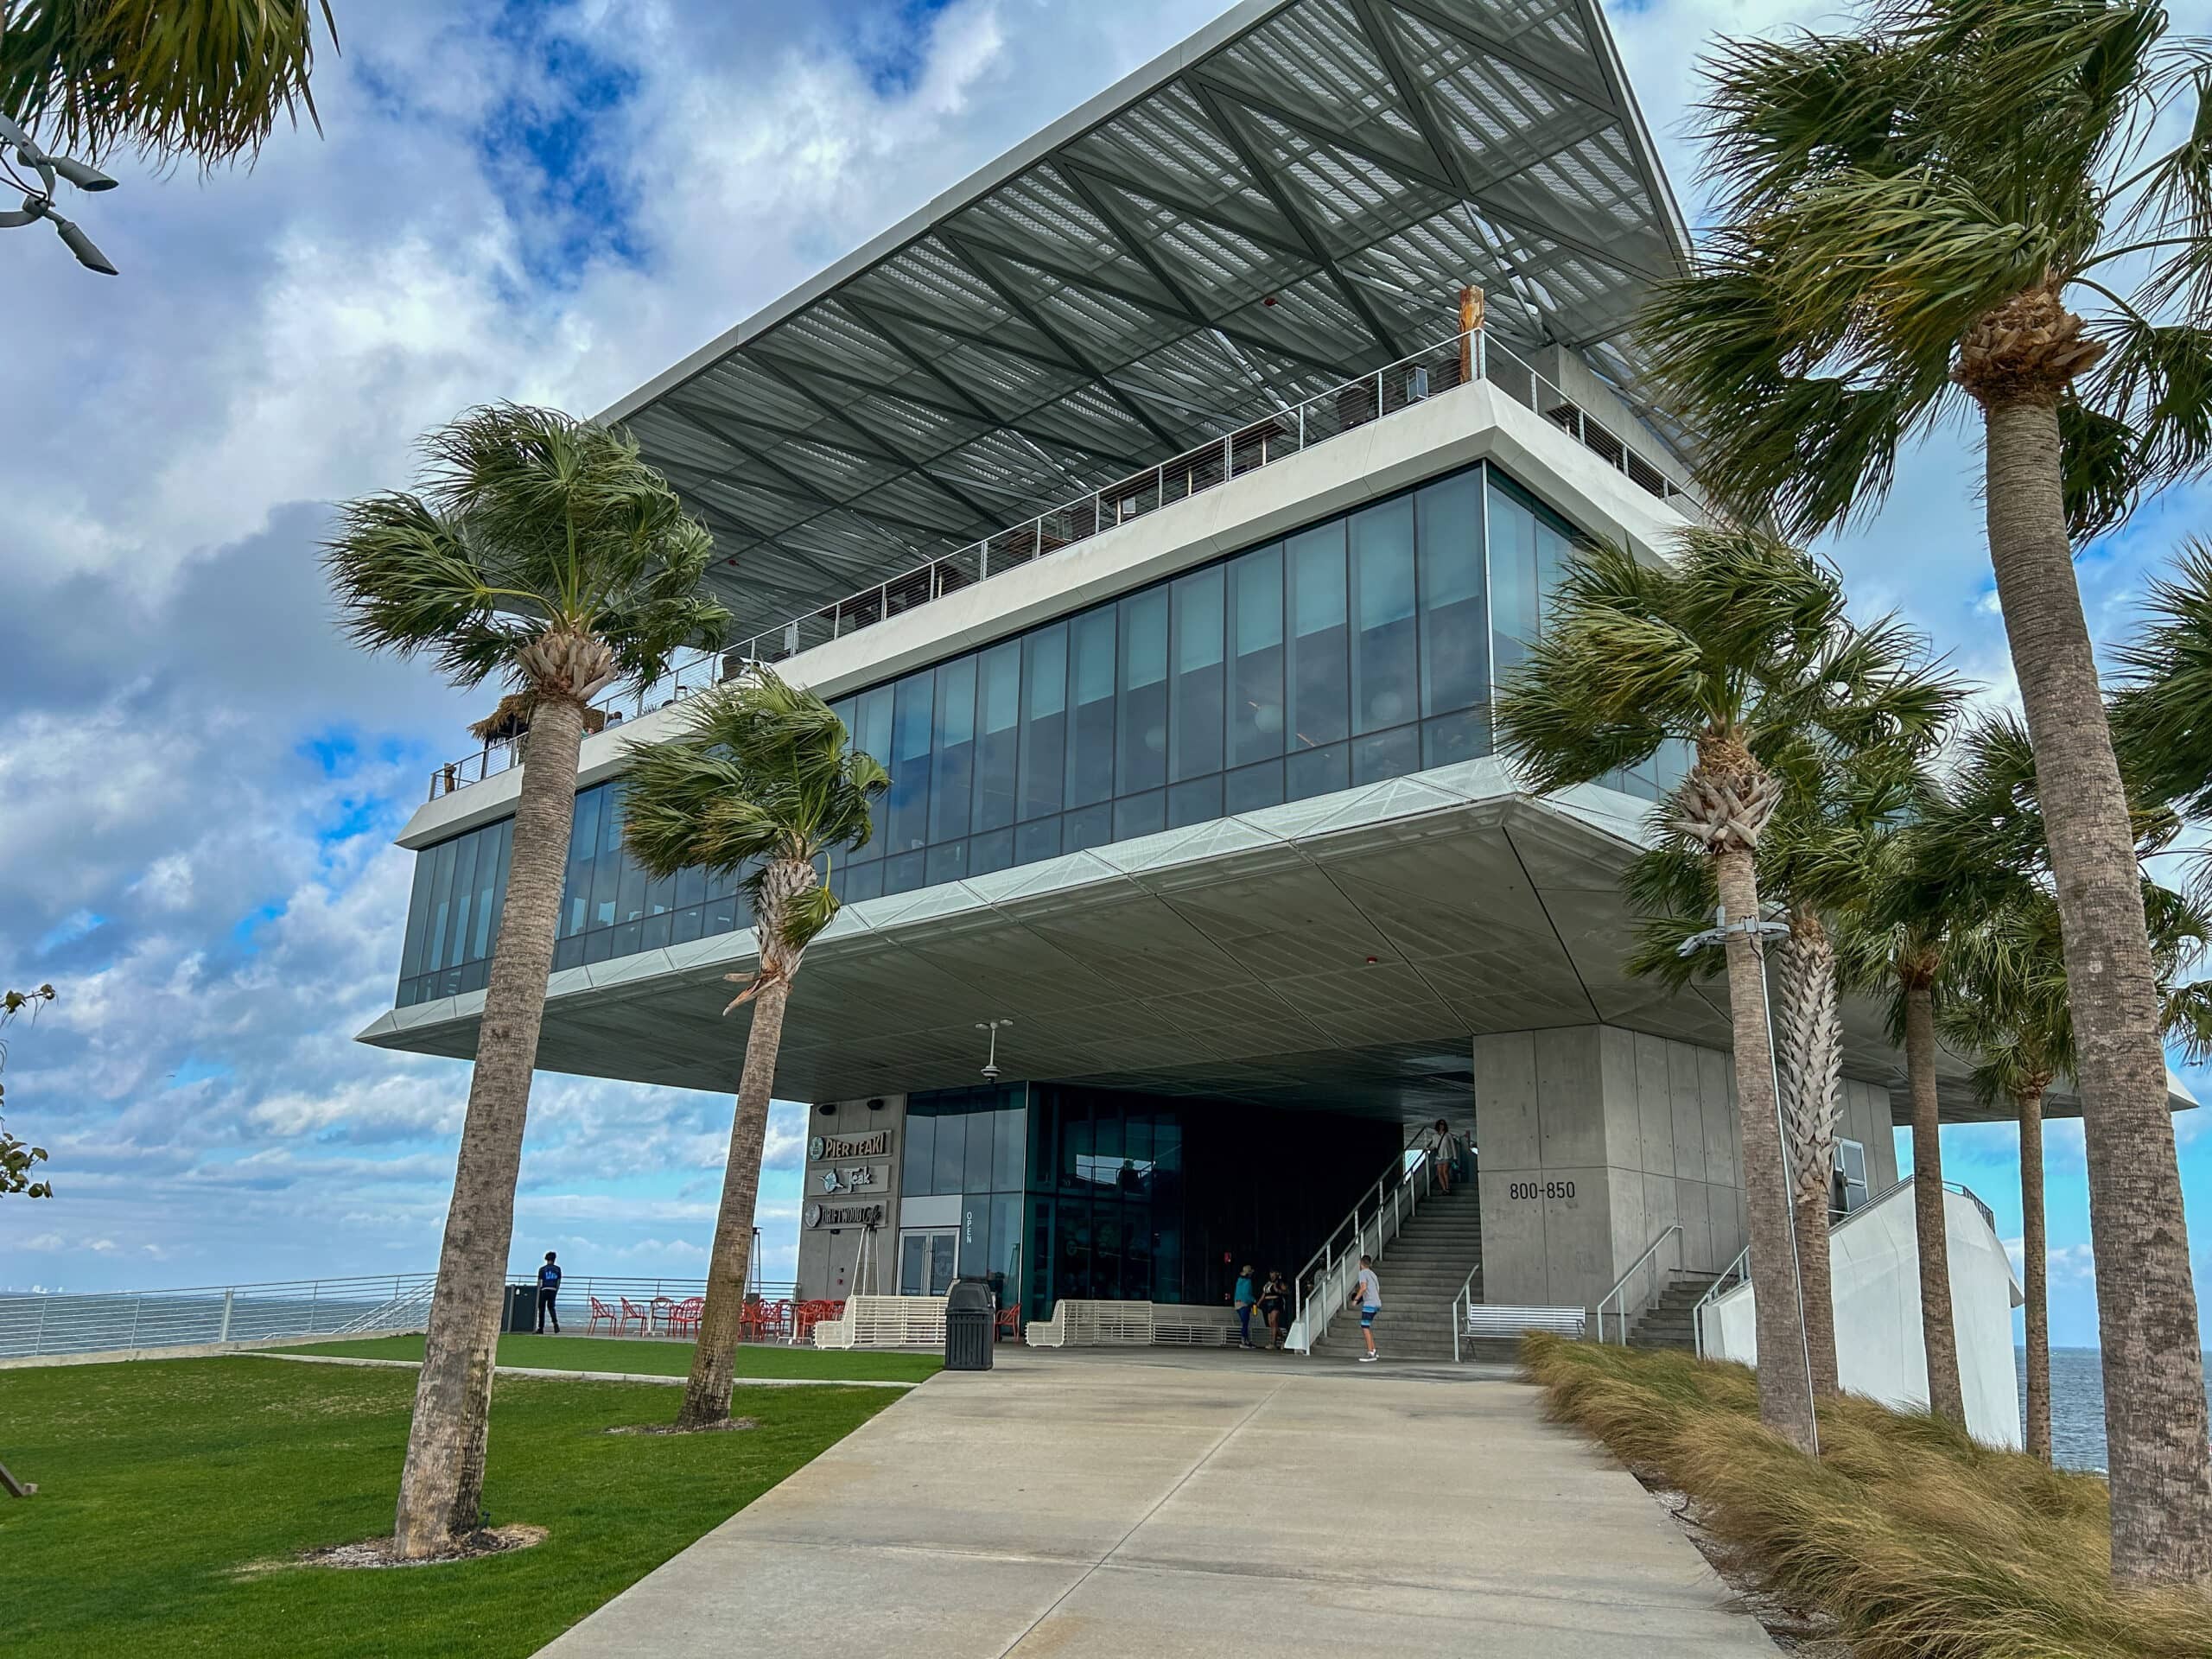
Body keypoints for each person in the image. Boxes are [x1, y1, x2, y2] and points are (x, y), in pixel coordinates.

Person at [1348, 1254, 1381, 1362]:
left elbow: (1363, 1287)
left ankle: (1370, 1352)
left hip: (1370, 1304)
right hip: (1377, 1303)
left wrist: (1356, 1299)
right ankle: (1374, 1350)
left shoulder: (1362, 1273)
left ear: (1361, 1264)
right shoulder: (1373, 1274)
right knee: (1367, 1326)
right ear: (1370, 1264)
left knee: (1364, 1326)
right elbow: (1375, 1289)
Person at [1258, 1268, 1290, 1351]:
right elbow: (1264, 1294)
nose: (1271, 1275)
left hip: (1276, 1302)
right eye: (1270, 1273)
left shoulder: (1280, 1282)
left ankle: (1273, 1342)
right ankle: (1284, 1338)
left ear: (1277, 1273)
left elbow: (1286, 1291)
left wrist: (1278, 1290)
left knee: (1274, 1321)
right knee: (1271, 1324)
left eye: (1273, 1273)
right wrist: (1258, 1303)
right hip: (1268, 1303)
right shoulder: (1268, 1283)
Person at [536, 1251, 563, 1334]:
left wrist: (538, 1292)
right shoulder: (558, 1269)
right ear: (554, 1259)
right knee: (551, 1308)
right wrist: (556, 1291)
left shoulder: (542, 1269)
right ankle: (555, 1323)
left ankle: (541, 1328)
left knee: (542, 1309)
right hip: (553, 1290)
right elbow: (558, 1282)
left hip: (544, 1290)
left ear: (546, 1259)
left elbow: (539, 1282)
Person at [1233, 1263, 1257, 1349]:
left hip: (1237, 1304)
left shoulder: (1239, 1280)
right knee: (1245, 1323)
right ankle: (1244, 1341)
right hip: (1244, 1304)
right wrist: (1254, 1300)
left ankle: (1246, 1340)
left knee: (1245, 1323)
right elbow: (1246, 1294)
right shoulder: (1248, 1281)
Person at [1431, 1118, 1455, 1193]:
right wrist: (1428, 1148)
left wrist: (1455, 1157)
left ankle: (1447, 1188)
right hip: (1439, 1156)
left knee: (1445, 1171)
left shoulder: (1448, 1135)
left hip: (1448, 1155)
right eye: (1440, 1124)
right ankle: (1444, 1188)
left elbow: (1453, 1146)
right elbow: (1434, 1145)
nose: (1442, 1126)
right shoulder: (1435, 1136)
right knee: (1439, 1173)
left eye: (1443, 1124)